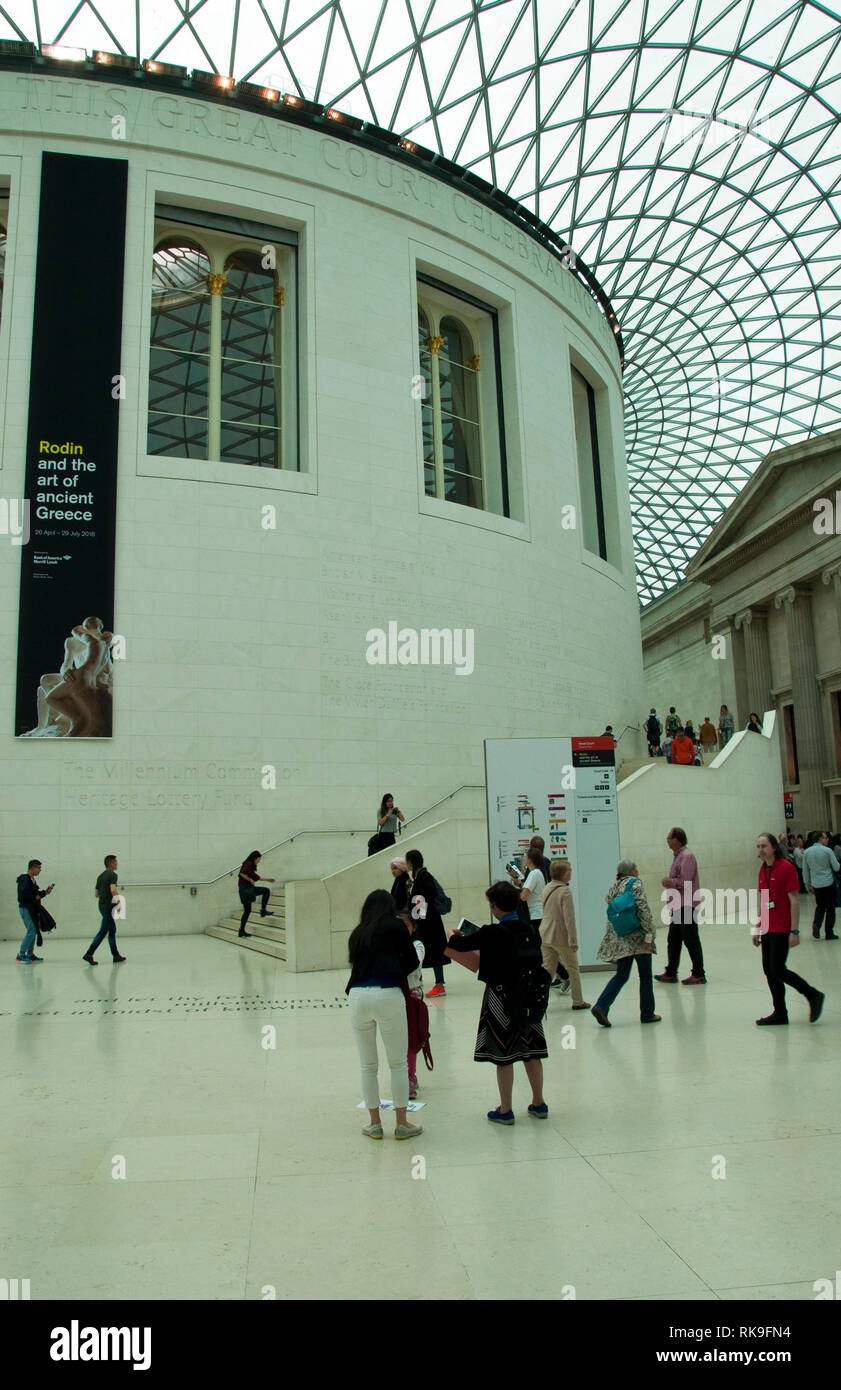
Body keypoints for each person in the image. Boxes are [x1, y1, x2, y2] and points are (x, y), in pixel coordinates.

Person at [446, 880, 549, 1123]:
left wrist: (453, 935)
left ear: (494, 907)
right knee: (532, 1052)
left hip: (500, 999)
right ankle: (539, 1102)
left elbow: (459, 946)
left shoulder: (491, 932)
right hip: (529, 998)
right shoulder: (529, 930)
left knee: (504, 1055)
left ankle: (505, 1109)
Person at [346, 890, 423, 1139]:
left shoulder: (358, 932)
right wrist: (393, 968)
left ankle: (374, 1123)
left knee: (368, 1065)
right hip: (387, 993)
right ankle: (402, 1123)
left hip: (357, 996)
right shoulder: (396, 926)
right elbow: (412, 961)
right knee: (398, 1063)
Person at [753, 833, 824, 1025]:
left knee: (777, 968)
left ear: (774, 847)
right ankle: (780, 1012)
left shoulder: (786, 868)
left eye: (764, 846)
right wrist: (759, 926)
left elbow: (794, 899)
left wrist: (794, 931)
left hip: (782, 927)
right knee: (769, 969)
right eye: (758, 846)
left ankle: (813, 994)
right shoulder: (763, 870)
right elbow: (764, 900)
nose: (760, 850)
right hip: (768, 927)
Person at [591, 861, 660, 1026]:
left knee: (622, 975)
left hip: (622, 938)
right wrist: (649, 935)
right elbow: (643, 909)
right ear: (632, 871)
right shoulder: (635, 884)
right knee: (645, 975)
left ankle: (601, 1006)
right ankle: (647, 1013)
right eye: (637, 868)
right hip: (638, 937)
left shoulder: (614, 888)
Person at [655, 827, 706, 984]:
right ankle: (671, 972)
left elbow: (686, 881)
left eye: (669, 838)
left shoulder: (687, 856)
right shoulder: (678, 856)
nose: (667, 840)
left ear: (678, 839)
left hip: (687, 904)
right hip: (678, 905)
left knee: (690, 939)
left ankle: (698, 974)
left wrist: (670, 882)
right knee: (674, 939)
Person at [539, 860, 589, 1010]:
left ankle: (539, 1000)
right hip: (560, 936)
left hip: (545, 934)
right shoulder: (565, 891)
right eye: (569, 870)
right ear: (563, 874)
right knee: (573, 968)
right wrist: (573, 940)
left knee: (548, 970)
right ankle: (578, 1001)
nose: (571, 872)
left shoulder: (547, 887)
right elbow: (569, 919)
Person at [404, 848, 448, 998]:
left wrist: (417, 918)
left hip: (428, 923)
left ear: (411, 862)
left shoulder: (423, 877)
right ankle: (423, 981)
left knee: (433, 952)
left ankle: (439, 985)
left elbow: (424, 898)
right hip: (428, 922)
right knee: (429, 951)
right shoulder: (421, 876)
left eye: (407, 861)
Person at [83, 854, 125, 965]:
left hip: (101, 906)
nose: (117, 864)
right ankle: (89, 954)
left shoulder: (100, 876)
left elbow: (96, 894)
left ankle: (116, 955)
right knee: (103, 932)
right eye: (115, 862)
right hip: (108, 907)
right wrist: (119, 902)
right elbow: (113, 889)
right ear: (111, 863)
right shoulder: (113, 875)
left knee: (111, 930)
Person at [402, 912, 426, 1100]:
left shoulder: (417, 946)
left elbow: (412, 964)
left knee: (411, 1040)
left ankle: (410, 1076)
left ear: (413, 927)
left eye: (405, 925)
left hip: (412, 996)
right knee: (399, 1041)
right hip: (396, 996)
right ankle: (407, 1075)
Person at [16, 858, 54, 963]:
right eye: (39, 868)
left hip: (31, 908)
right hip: (26, 908)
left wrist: (45, 892)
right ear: (33, 868)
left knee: (33, 930)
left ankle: (30, 954)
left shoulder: (31, 879)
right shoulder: (25, 878)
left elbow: (35, 894)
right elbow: (23, 895)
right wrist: (35, 897)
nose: (40, 870)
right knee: (32, 931)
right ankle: (21, 954)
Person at [803, 830, 838, 940]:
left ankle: (816, 924)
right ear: (820, 839)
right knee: (830, 908)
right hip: (828, 882)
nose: (827, 839)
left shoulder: (807, 852)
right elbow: (836, 867)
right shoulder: (828, 851)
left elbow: (805, 871)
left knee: (820, 906)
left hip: (816, 884)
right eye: (825, 838)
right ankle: (829, 932)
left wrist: (807, 885)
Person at [237, 850, 276, 938]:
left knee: (247, 911)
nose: (259, 861)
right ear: (255, 858)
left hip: (243, 890)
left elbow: (255, 876)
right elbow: (242, 874)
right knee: (266, 891)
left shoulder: (249, 865)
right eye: (259, 859)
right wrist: (250, 880)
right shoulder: (248, 864)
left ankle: (241, 931)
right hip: (246, 889)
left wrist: (267, 879)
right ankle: (263, 910)